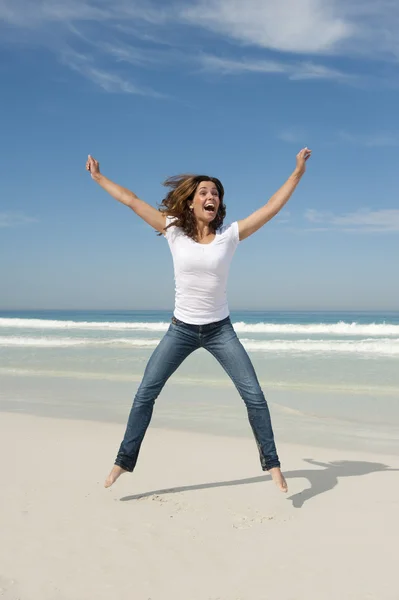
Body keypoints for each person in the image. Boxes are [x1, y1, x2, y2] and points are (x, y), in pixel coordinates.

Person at [86, 148, 312, 492]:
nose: (211, 196)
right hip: (181, 330)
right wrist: (100, 178)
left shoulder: (229, 236)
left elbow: (270, 208)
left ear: (219, 205)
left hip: (221, 330)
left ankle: (273, 465)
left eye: (216, 193)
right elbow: (132, 201)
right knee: (145, 394)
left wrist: (297, 172)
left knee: (254, 396)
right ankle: (123, 462)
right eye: (204, 192)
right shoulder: (173, 229)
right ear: (191, 202)